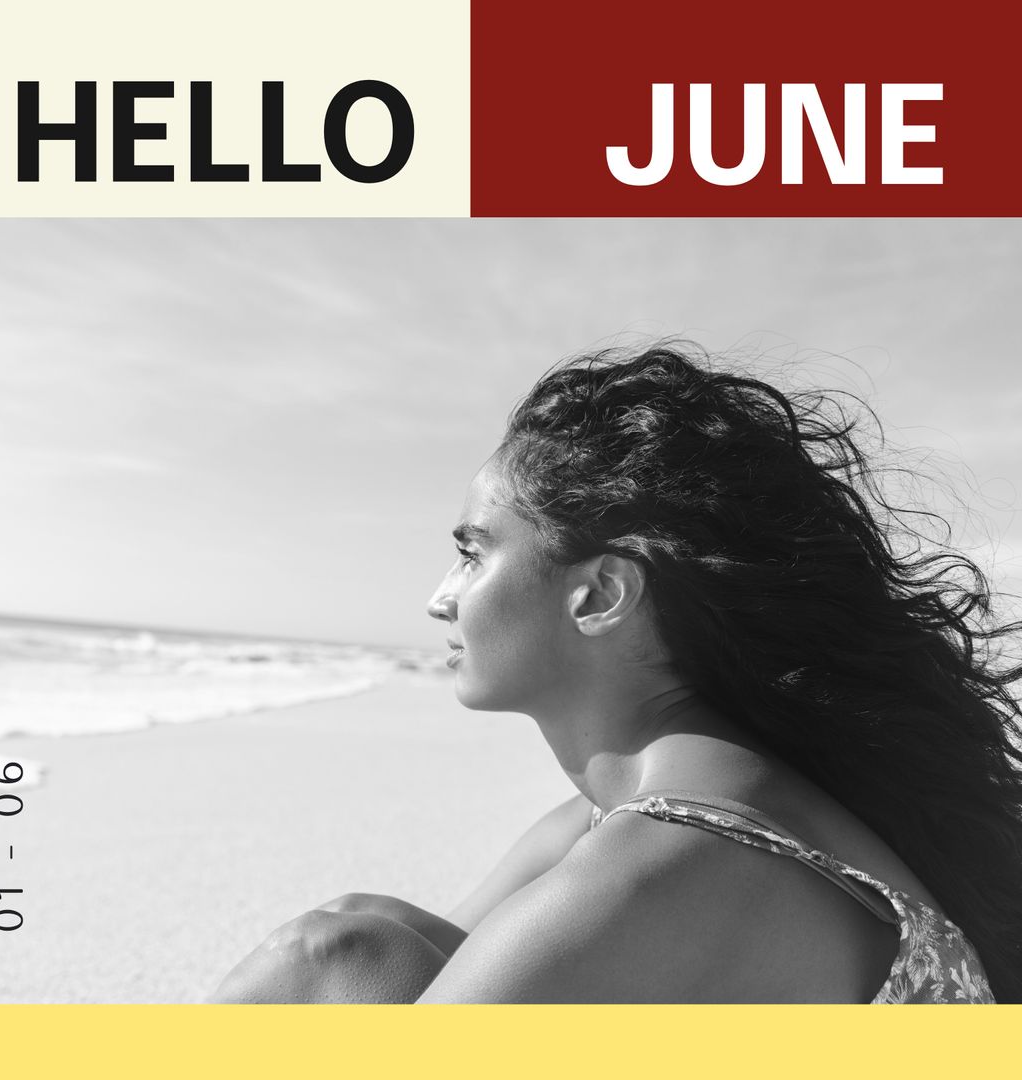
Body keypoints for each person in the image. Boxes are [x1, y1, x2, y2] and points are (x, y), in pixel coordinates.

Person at [211, 342, 1022, 1003]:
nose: (439, 599)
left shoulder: (667, 864)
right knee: (370, 930)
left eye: (473, 554)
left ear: (600, 594)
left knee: (331, 956)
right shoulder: (620, 814)